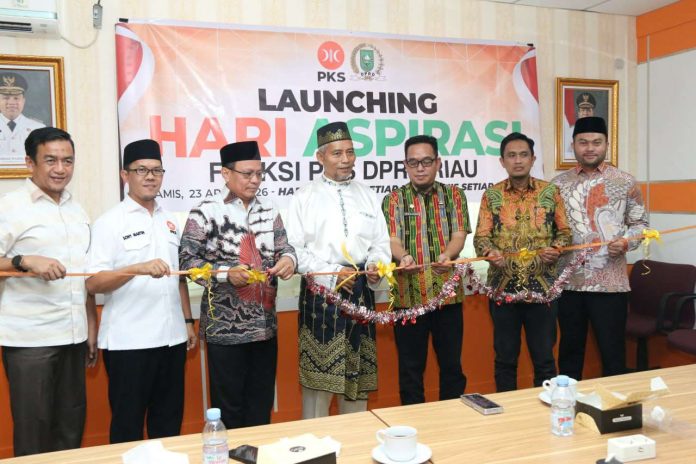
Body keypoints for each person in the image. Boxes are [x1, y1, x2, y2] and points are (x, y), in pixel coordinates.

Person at [85, 139, 197, 443]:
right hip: (129, 344)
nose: (150, 177)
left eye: (156, 170)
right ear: (125, 175)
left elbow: (178, 278)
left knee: (168, 426)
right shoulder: (109, 222)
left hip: (172, 340)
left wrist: (187, 322)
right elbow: (93, 283)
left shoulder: (169, 220)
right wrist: (136, 268)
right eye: (141, 170)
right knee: (128, 427)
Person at [180, 140, 296, 428]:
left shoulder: (269, 208)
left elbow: (285, 247)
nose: (255, 180)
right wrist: (224, 274)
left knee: (260, 409)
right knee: (229, 411)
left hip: (264, 329)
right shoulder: (205, 211)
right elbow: (186, 262)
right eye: (247, 174)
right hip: (225, 332)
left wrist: (289, 260)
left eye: (259, 173)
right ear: (225, 173)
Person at [0, 127, 96, 456]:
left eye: (68, 161)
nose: (60, 169)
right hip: (30, 340)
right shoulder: (10, 207)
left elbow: (84, 275)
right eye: (50, 160)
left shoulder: (76, 210)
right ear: (30, 163)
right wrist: (23, 260)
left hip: (74, 336)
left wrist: (90, 326)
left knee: (71, 428)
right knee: (35, 432)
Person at [286, 121, 391, 418]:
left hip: (361, 293)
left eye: (350, 152)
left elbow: (380, 242)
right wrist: (332, 273)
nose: (346, 159)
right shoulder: (304, 197)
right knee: (319, 387)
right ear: (320, 157)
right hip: (321, 298)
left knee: (357, 382)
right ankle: (315, 441)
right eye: (337, 153)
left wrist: (376, 265)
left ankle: (356, 438)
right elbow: (294, 250)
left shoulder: (367, 194)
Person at [474, 132, 572, 392]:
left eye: (523, 155)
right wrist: (490, 253)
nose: (518, 161)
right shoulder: (491, 195)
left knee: (545, 360)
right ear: (502, 161)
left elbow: (565, 232)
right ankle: (508, 413)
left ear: (533, 159)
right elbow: (481, 238)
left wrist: (556, 249)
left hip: (543, 290)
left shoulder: (550, 192)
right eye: (511, 155)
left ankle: (546, 407)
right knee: (505, 360)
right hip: (503, 289)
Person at [553, 116, 649, 380]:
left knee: (613, 354)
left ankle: (614, 404)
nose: (590, 148)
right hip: (569, 284)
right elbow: (550, 230)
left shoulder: (625, 181)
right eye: (583, 142)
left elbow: (641, 225)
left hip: (610, 285)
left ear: (607, 144)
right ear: (573, 145)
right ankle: (567, 402)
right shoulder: (557, 185)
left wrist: (626, 241)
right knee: (569, 354)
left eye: (596, 142)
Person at [381, 134, 470, 405]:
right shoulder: (393, 199)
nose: (420, 168)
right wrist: (403, 257)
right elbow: (392, 240)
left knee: (452, 367)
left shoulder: (454, 195)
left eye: (426, 161)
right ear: (405, 165)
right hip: (408, 297)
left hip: (447, 296)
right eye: (413, 162)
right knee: (410, 371)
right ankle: (413, 424)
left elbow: (459, 234)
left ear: (438, 163)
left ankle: (452, 419)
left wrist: (448, 255)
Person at [0, 72, 45, 163]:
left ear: (23, 100)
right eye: (6, 98)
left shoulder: (38, 129)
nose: (11, 103)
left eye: (16, 98)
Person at [565, 92, 596, 157]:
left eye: (588, 110)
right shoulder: (570, 132)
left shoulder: (600, 132)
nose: (585, 113)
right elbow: (564, 155)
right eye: (582, 110)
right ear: (579, 113)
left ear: (593, 113)